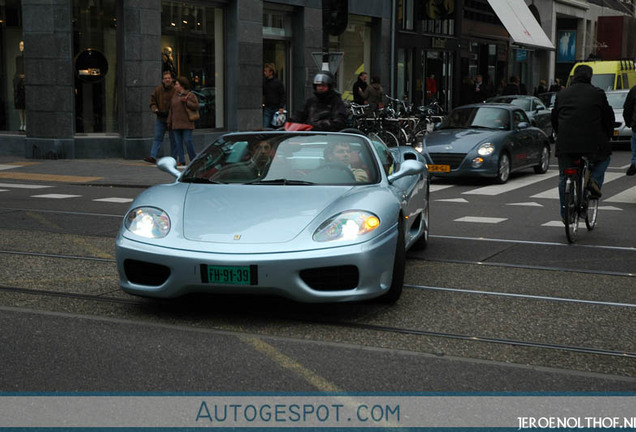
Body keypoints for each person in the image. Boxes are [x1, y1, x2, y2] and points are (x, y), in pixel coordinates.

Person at [551, 64, 614, 220]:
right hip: (592, 144)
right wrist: (608, 134)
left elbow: (554, 118)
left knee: (563, 177)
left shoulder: (562, 94)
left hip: (566, 144)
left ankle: (565, 214)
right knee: (604, 159)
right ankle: (593, 183)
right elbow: (608, 118)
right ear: (590, 77)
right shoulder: (598, 94)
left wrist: (560, 133)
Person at [145, 70, 177, 164]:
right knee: (157, 138)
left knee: (173, 139)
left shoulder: (175, 90)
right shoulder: (158, 90)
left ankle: (174, 158)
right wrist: (155, 109)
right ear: (162, 80)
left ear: (172, 79)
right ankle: (153, 156)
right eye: (165, 78)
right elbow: (152, 102)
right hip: (160, 117)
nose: (167, 80)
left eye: (169, 78)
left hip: (172, 118)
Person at [167, 76, 199, 166]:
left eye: (176, 84)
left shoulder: (190, 95)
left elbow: (196, 106)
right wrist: (169, 121)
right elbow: (171, 109)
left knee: (188, 141)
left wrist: (187, 102)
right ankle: (181, 160)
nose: (175, 86)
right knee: (178, 143)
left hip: (187, 123)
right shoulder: (174, 95)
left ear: (182, 85)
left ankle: (193, 159)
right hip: (176, 123)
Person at [262, 63, 286, 129]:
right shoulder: (264, 82)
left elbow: (282, 95)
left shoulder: (278, 83)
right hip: (268, 107)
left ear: (271, 72)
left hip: (277, 108)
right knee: (265, 126)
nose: (264, 73)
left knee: (277, 126)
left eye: (266, 71)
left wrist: (281, 107)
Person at [623, 84, 636, 176]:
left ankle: (635, 162)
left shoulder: (634, 90)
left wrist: (629, 123)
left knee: (635, 142)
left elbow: (627, 107)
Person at [14, 40, 25, 132]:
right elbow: (17, 72)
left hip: (25, 84)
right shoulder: (18, 59)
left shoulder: (27, 59)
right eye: (20, 45)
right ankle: (22, 123)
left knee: (25, 105)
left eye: (22, 45)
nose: (20, 47)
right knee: (20, 106)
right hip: (18, 84)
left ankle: (26, 124)